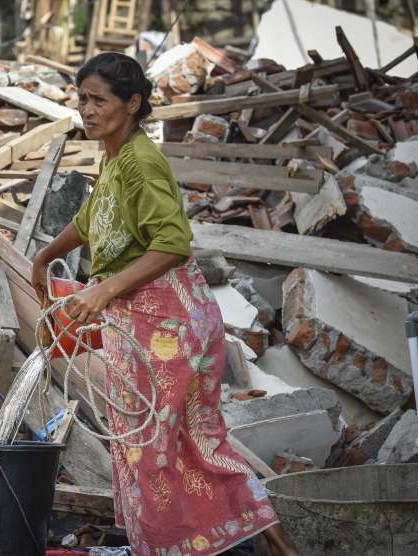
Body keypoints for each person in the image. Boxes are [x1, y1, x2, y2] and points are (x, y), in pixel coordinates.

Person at [31, 52, 299, 556]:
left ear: (133, 104)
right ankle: (271, 547)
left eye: (99, 100)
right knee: (189, 446)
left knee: (152, 452)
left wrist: (103, 289)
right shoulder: (114, 156)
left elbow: (174, 243)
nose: (87, 110)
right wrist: (45, 256)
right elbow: (93, 216)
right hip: (155, 322)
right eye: (82, 99)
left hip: (165, 324)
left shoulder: (141, 161)